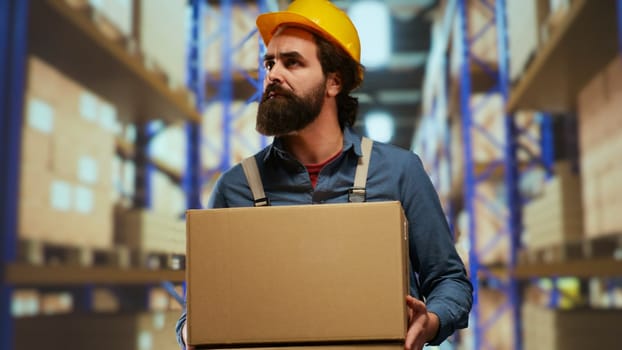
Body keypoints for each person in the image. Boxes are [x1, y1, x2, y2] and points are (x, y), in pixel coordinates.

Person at [176, 0, 472, 349]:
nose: (273, 74)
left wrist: (430, 321)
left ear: (334, 82)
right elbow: (198, 311)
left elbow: (451, 280)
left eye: (292, 62)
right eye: (269, 62)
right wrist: (189, 333)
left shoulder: (399, 172)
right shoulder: (235, 187)